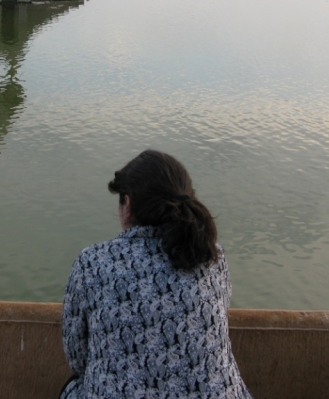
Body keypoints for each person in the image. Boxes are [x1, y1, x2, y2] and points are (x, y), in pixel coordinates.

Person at [61, 150, 252, 399]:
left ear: (127, 203)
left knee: (72, 388)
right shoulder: (211, 257)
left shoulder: (92, 263)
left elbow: (77, 357)